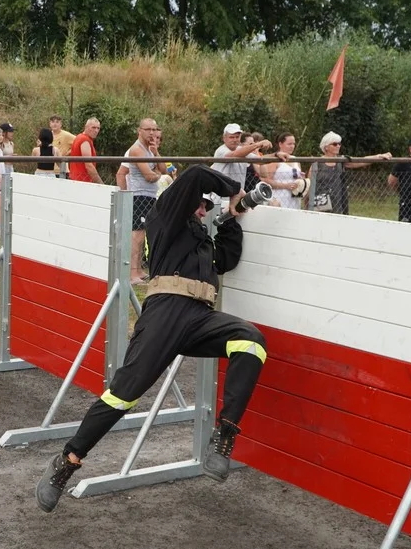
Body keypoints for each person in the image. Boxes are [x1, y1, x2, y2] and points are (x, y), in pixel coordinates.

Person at [35, 165, 266, 513]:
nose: (204, 209)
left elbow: (227, 259)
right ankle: (68, 460)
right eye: (200, 204)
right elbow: (195, 176)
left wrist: (231, 219)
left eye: (208, 205)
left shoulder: (204, 243)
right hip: (164, 315)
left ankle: (224, 436)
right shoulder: (165, 218)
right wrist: (235, 189)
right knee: (122, 396)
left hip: (200, 318)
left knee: (250, 341)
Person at [310, 132, 389, 216]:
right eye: (335, 144)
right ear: (326, 147)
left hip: (338, 203)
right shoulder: (316, 163)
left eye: (339, 144)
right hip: (321, 205)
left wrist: (379, 156)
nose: (338, 146)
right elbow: (310, 187)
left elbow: (361, 161)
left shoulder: (341, 161)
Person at [125, 118, 163, 283]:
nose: (152, 133)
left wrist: (156, 154)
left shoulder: (150, 149)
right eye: (148, 129)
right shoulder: (137, 150)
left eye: (154, 129)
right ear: (139, 131)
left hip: (149, 195)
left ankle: (139, 270)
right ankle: (132, 273)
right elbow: (149, 176)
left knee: (144, 234)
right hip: (139, 195)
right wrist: (159, 176)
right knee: (137, 235)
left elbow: (164, 168)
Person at [255, 133, 305, 209]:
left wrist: (302, 180)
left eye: (293, 144)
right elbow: (266, 180)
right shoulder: (275, 160)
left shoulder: (295, 159)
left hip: (294, 198)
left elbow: (299, 176)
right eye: (289, 144)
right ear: (280, 144)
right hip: (279, 197)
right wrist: (286, 186)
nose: (292, 146)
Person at [388, 138, 411, 223]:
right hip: (407, 202)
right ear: (410, 149)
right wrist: (401, 191)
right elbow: (392, 181)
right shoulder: (403, 162)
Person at [68, 117, 103, 184]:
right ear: (86, 127)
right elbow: (89, 165)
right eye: (93, 127)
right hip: (82, 181)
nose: (96, 130)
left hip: (76, 179)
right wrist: (100, 183)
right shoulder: (85, 140)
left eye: (98, 128)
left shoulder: (79, 137)